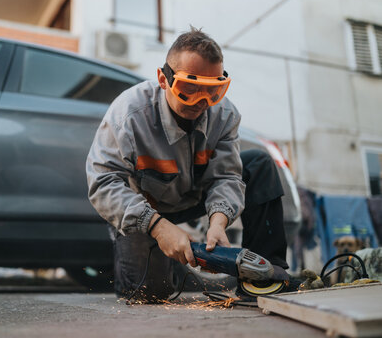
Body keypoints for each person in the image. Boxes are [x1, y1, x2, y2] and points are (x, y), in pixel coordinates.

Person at [86, 27, 290, 303]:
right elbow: (103, 183)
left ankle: (266, 278)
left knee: (260, 163)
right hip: (145, 208)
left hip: (193, 197)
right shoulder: (130, 114)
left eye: (212, 91)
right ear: (163, 79)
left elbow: (227, 175)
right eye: (189, 89)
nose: (201, 103)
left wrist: (219, 222)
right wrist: (157, 227)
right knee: (149, 294)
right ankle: (165, 263)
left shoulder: (226, 114)